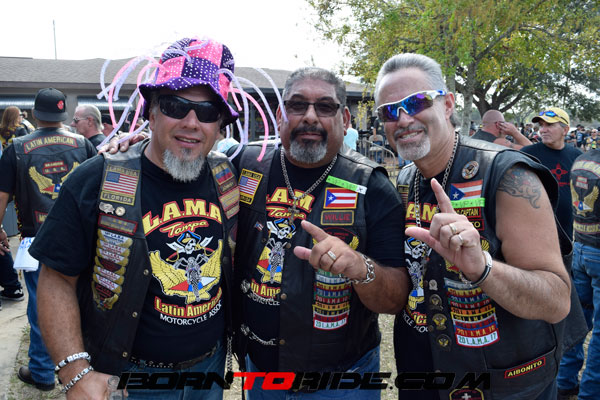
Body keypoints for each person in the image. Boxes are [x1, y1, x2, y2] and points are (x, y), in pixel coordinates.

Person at [32, 38, 239, 399]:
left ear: (220, 125)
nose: (192, 122)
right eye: (176, 106)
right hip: (128, 379)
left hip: (209, 370)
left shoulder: (227, 175)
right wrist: (75, 371)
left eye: (208, 112)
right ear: (152, 113)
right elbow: (56, 278)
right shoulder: (96, 178)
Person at [374, 53, 571, 399]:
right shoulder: (405, 180)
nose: (402, 118)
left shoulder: (508, 175)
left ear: (448, 105)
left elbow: (556, 300)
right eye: (389, 111)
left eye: (416, 102)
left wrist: (483, 268)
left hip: (502, 381)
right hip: (422, 371)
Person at [230, 67, 408, 399]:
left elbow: (396, 298)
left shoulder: (371, 185)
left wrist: (361, 268)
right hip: (259, 372)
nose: (310, 117)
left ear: (345, 119)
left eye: (324, 107)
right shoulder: (246, 164)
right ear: (281, 115)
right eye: (298, 105)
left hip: (341, 381)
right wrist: (135, 151)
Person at [0, 88, 97, 392]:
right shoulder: (83, 144)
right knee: (83, 300)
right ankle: (85, 365)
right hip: (79, 238)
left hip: (36, 239)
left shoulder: (16, 147)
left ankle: (42, 371)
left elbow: (1, 196)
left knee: (42, 304)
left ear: (34, 114)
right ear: (63, 114)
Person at [560, 148, 600, 399]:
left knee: (577, 320)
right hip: (596, 249)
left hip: (582, 247)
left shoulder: (581, 159)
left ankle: (564, 381)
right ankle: (591, 392)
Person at [521, 108, 582, 240]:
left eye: (549, 125)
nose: (543, 130)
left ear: (565, 130)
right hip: (533, 231)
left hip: (567, 232)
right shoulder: (527, 154)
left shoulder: (577, 156)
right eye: (541, 125)